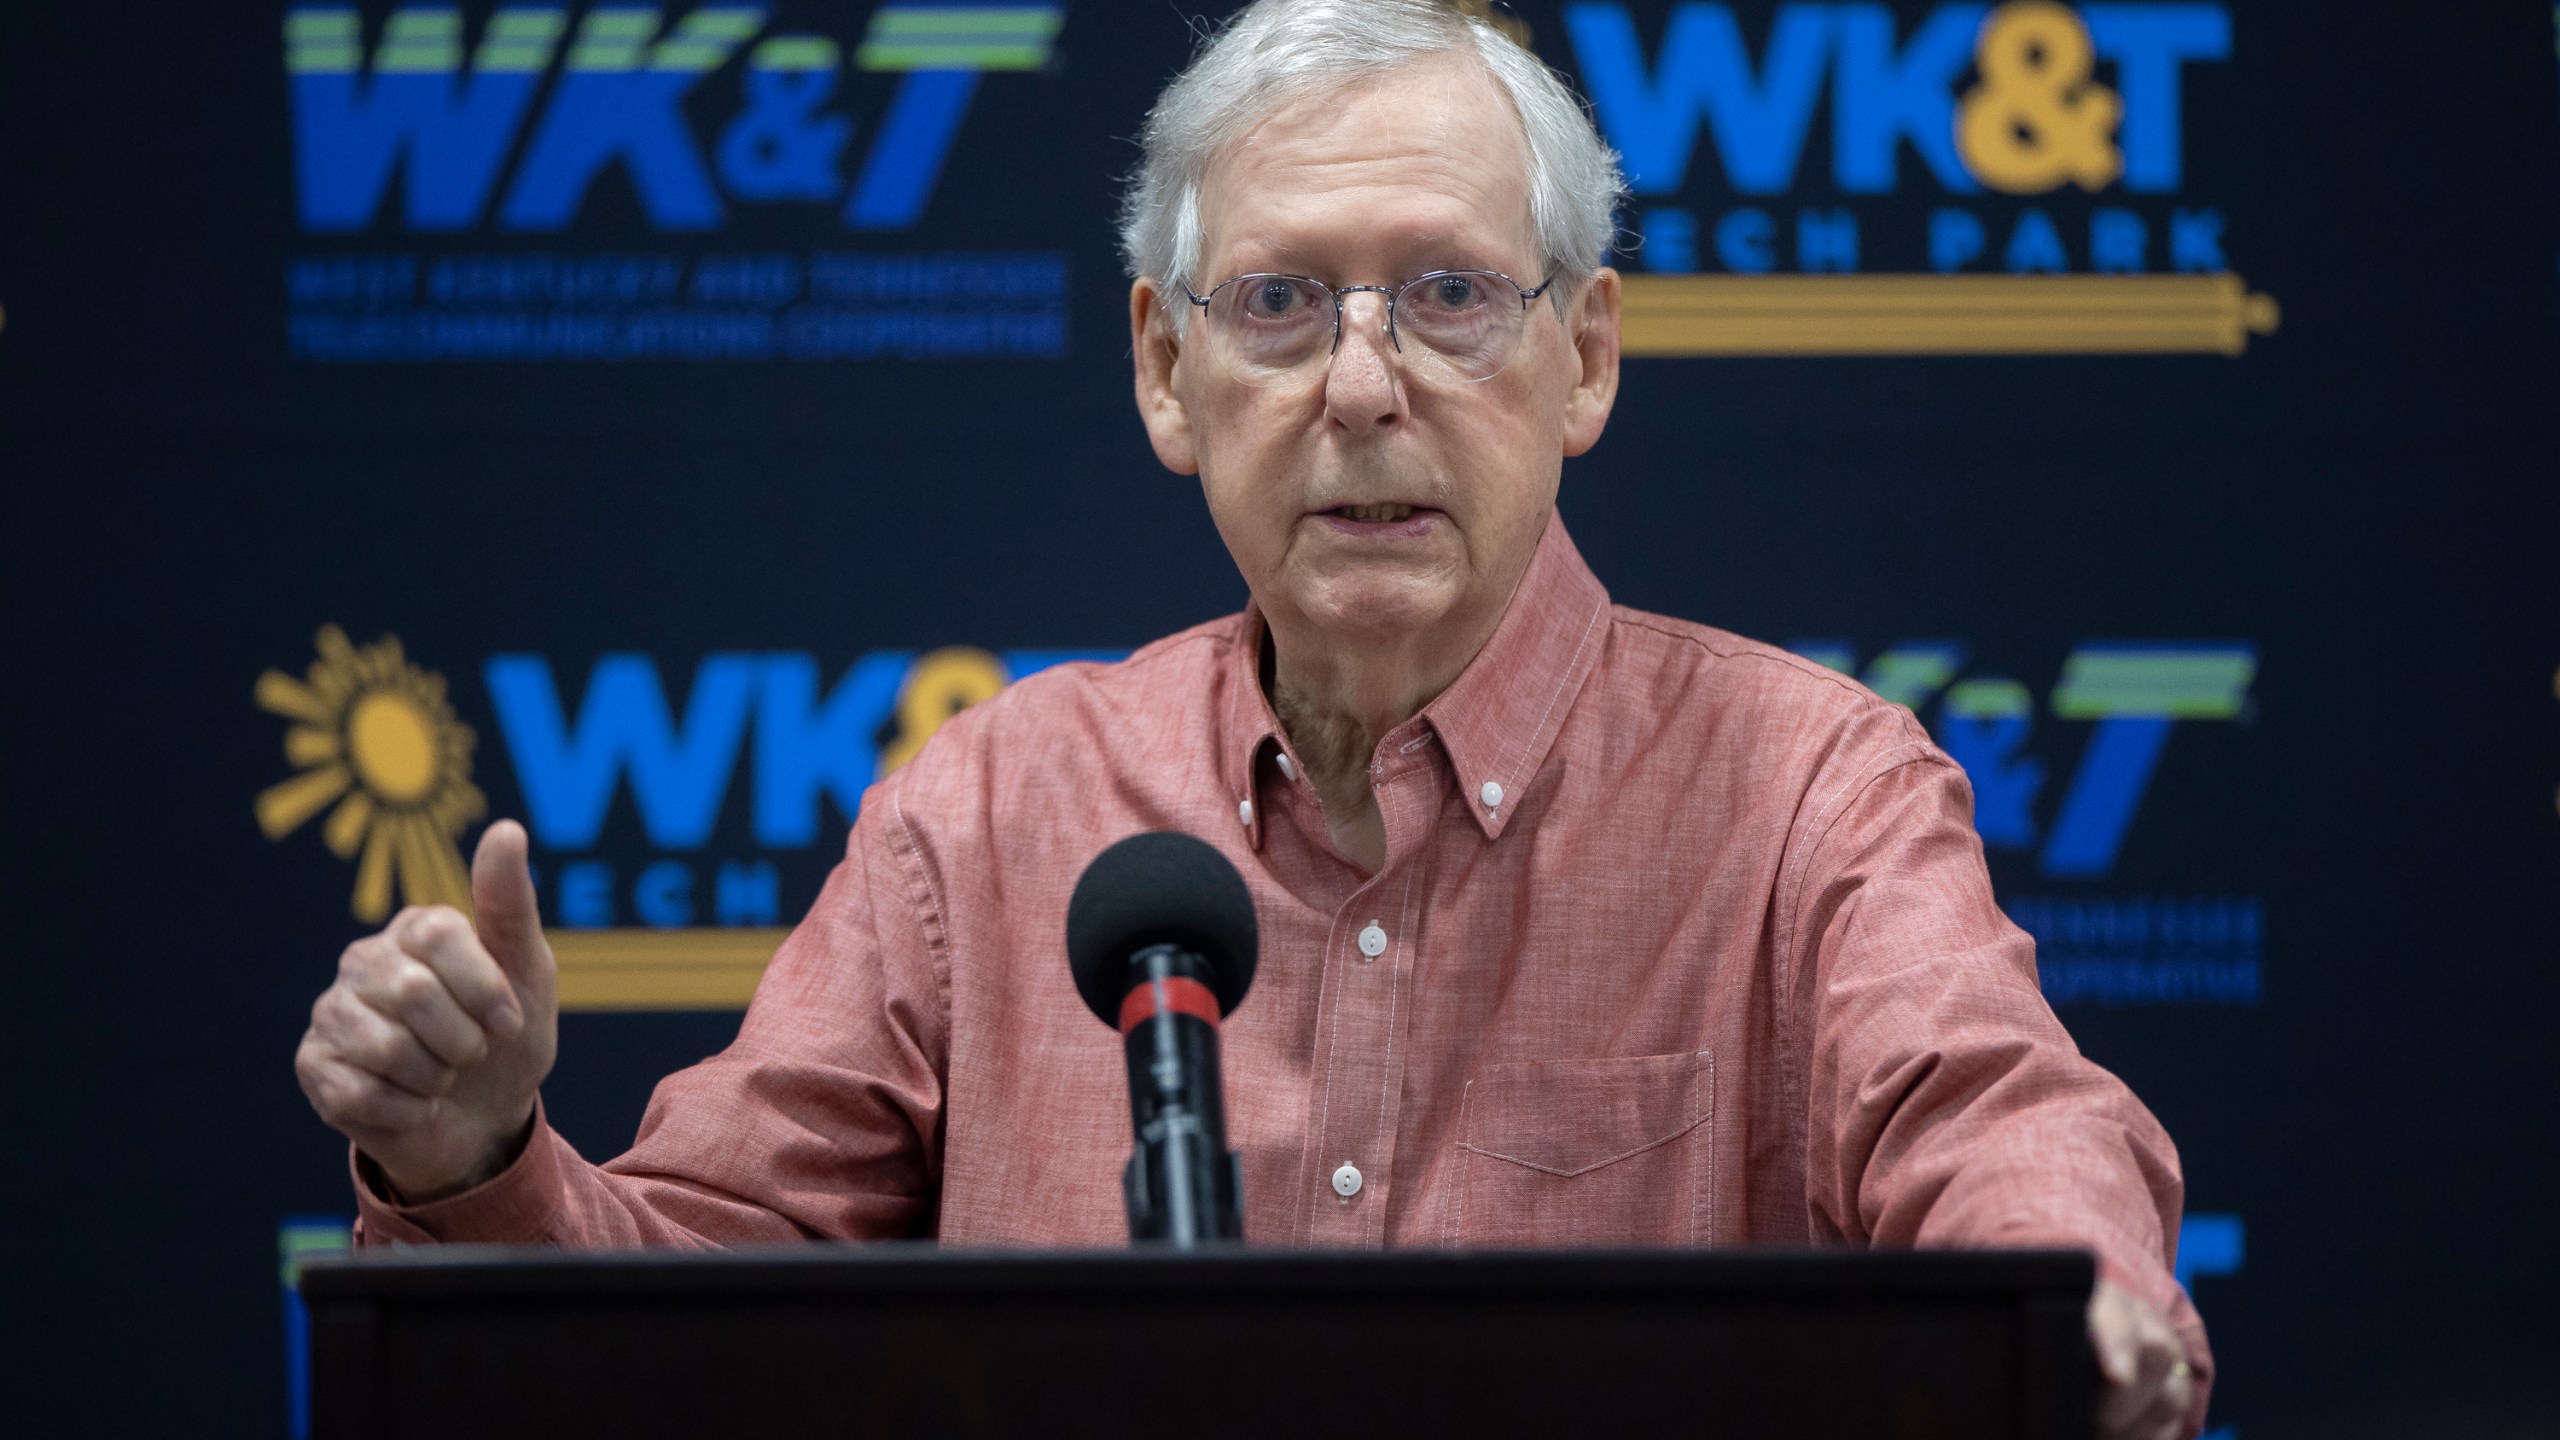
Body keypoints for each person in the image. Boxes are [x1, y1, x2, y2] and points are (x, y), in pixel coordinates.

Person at [294, 3, 2210, 1435]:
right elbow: (686, 1316)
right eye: (1282, 303)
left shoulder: (1808, 791)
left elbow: (1996, 1120)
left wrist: (2084, 1314)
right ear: (1164, 371)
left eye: (1452, 295)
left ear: (1586, 357)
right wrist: (481, 1164)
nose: (1362, 387)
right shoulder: (995, 810)